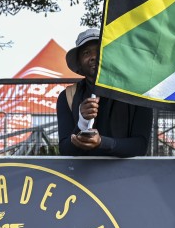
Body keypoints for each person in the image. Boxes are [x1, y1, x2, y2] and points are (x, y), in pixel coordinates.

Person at [56, 28, 153, 157]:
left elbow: (140, 146)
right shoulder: (68, 96)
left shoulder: (137, 93)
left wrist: (102, 142)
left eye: (99, 51)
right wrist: (82, 122)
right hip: (81, 171)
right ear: (79, 63)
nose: (93, 57)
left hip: (125, 170)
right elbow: (65, 150)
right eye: (86, 53)